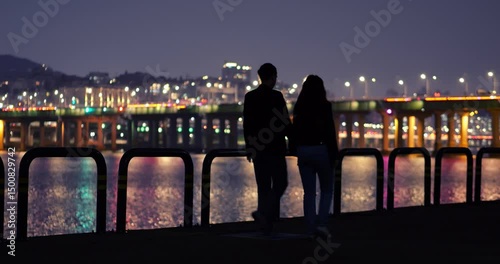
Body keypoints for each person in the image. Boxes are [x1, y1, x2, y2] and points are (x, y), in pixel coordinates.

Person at [243, 63, 294, 235]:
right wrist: (293, 141)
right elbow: (285, 122)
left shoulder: (250, 97)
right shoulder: (277, 96)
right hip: (275, 148)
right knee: (280, 183)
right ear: (272, 76)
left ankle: (264, 224)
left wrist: (250, 147)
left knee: (263, 186)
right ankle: (266, 215)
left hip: (258, 149)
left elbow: (247, 124)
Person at [292, 74, 339, 239]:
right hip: (321, 150)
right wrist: (334, 153)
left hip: (303, 151)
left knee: (309, 193)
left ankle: (310, 228)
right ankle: (322, 224)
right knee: (327, 190)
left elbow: (294, 131)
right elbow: (329, 132)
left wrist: (295, 149)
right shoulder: (325, 106)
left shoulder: (299, 106)